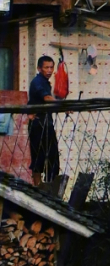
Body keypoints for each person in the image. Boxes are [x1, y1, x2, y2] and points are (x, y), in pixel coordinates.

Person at [28, 54, 59, 186]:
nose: (49, 70)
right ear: (40, 68)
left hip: (46, 124)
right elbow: (46, 98)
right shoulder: (37, 82)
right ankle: (38, 189)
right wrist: (62, 105)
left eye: (51, 67)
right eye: (46, 67)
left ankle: (49, 189)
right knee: (38, 158)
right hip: (38, 124)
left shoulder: (45, 82)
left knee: (52, 158)